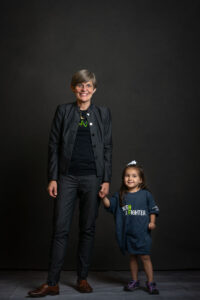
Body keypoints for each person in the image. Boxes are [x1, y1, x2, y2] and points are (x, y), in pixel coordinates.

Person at [28, 69, 112, 297]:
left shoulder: (103, 114)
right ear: (73, 88)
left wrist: (106, 179)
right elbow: (53, 145)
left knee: (88, 229)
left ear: (94, 89)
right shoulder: (63, 111)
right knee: (60, 229)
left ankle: (82, 279)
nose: (84, 89)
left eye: (88, 86)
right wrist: (53, 178)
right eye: (79, 85)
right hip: (66, 177)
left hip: (93, 178)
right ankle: (52, 283)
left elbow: (107, 148)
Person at [99, 160, 159, 295]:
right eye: (127, 175)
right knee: (132, 258)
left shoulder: (146, 195)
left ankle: (150, 282)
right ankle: (134, 280)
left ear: (141, 179)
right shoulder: (121, 195)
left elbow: (153, 210)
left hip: (142, 233)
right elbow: (110, 205)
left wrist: (152, 222)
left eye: (134, 176)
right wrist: (104, 197)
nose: (130, 178)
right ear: (123, 178)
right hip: (128, 234)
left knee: (145, 257)